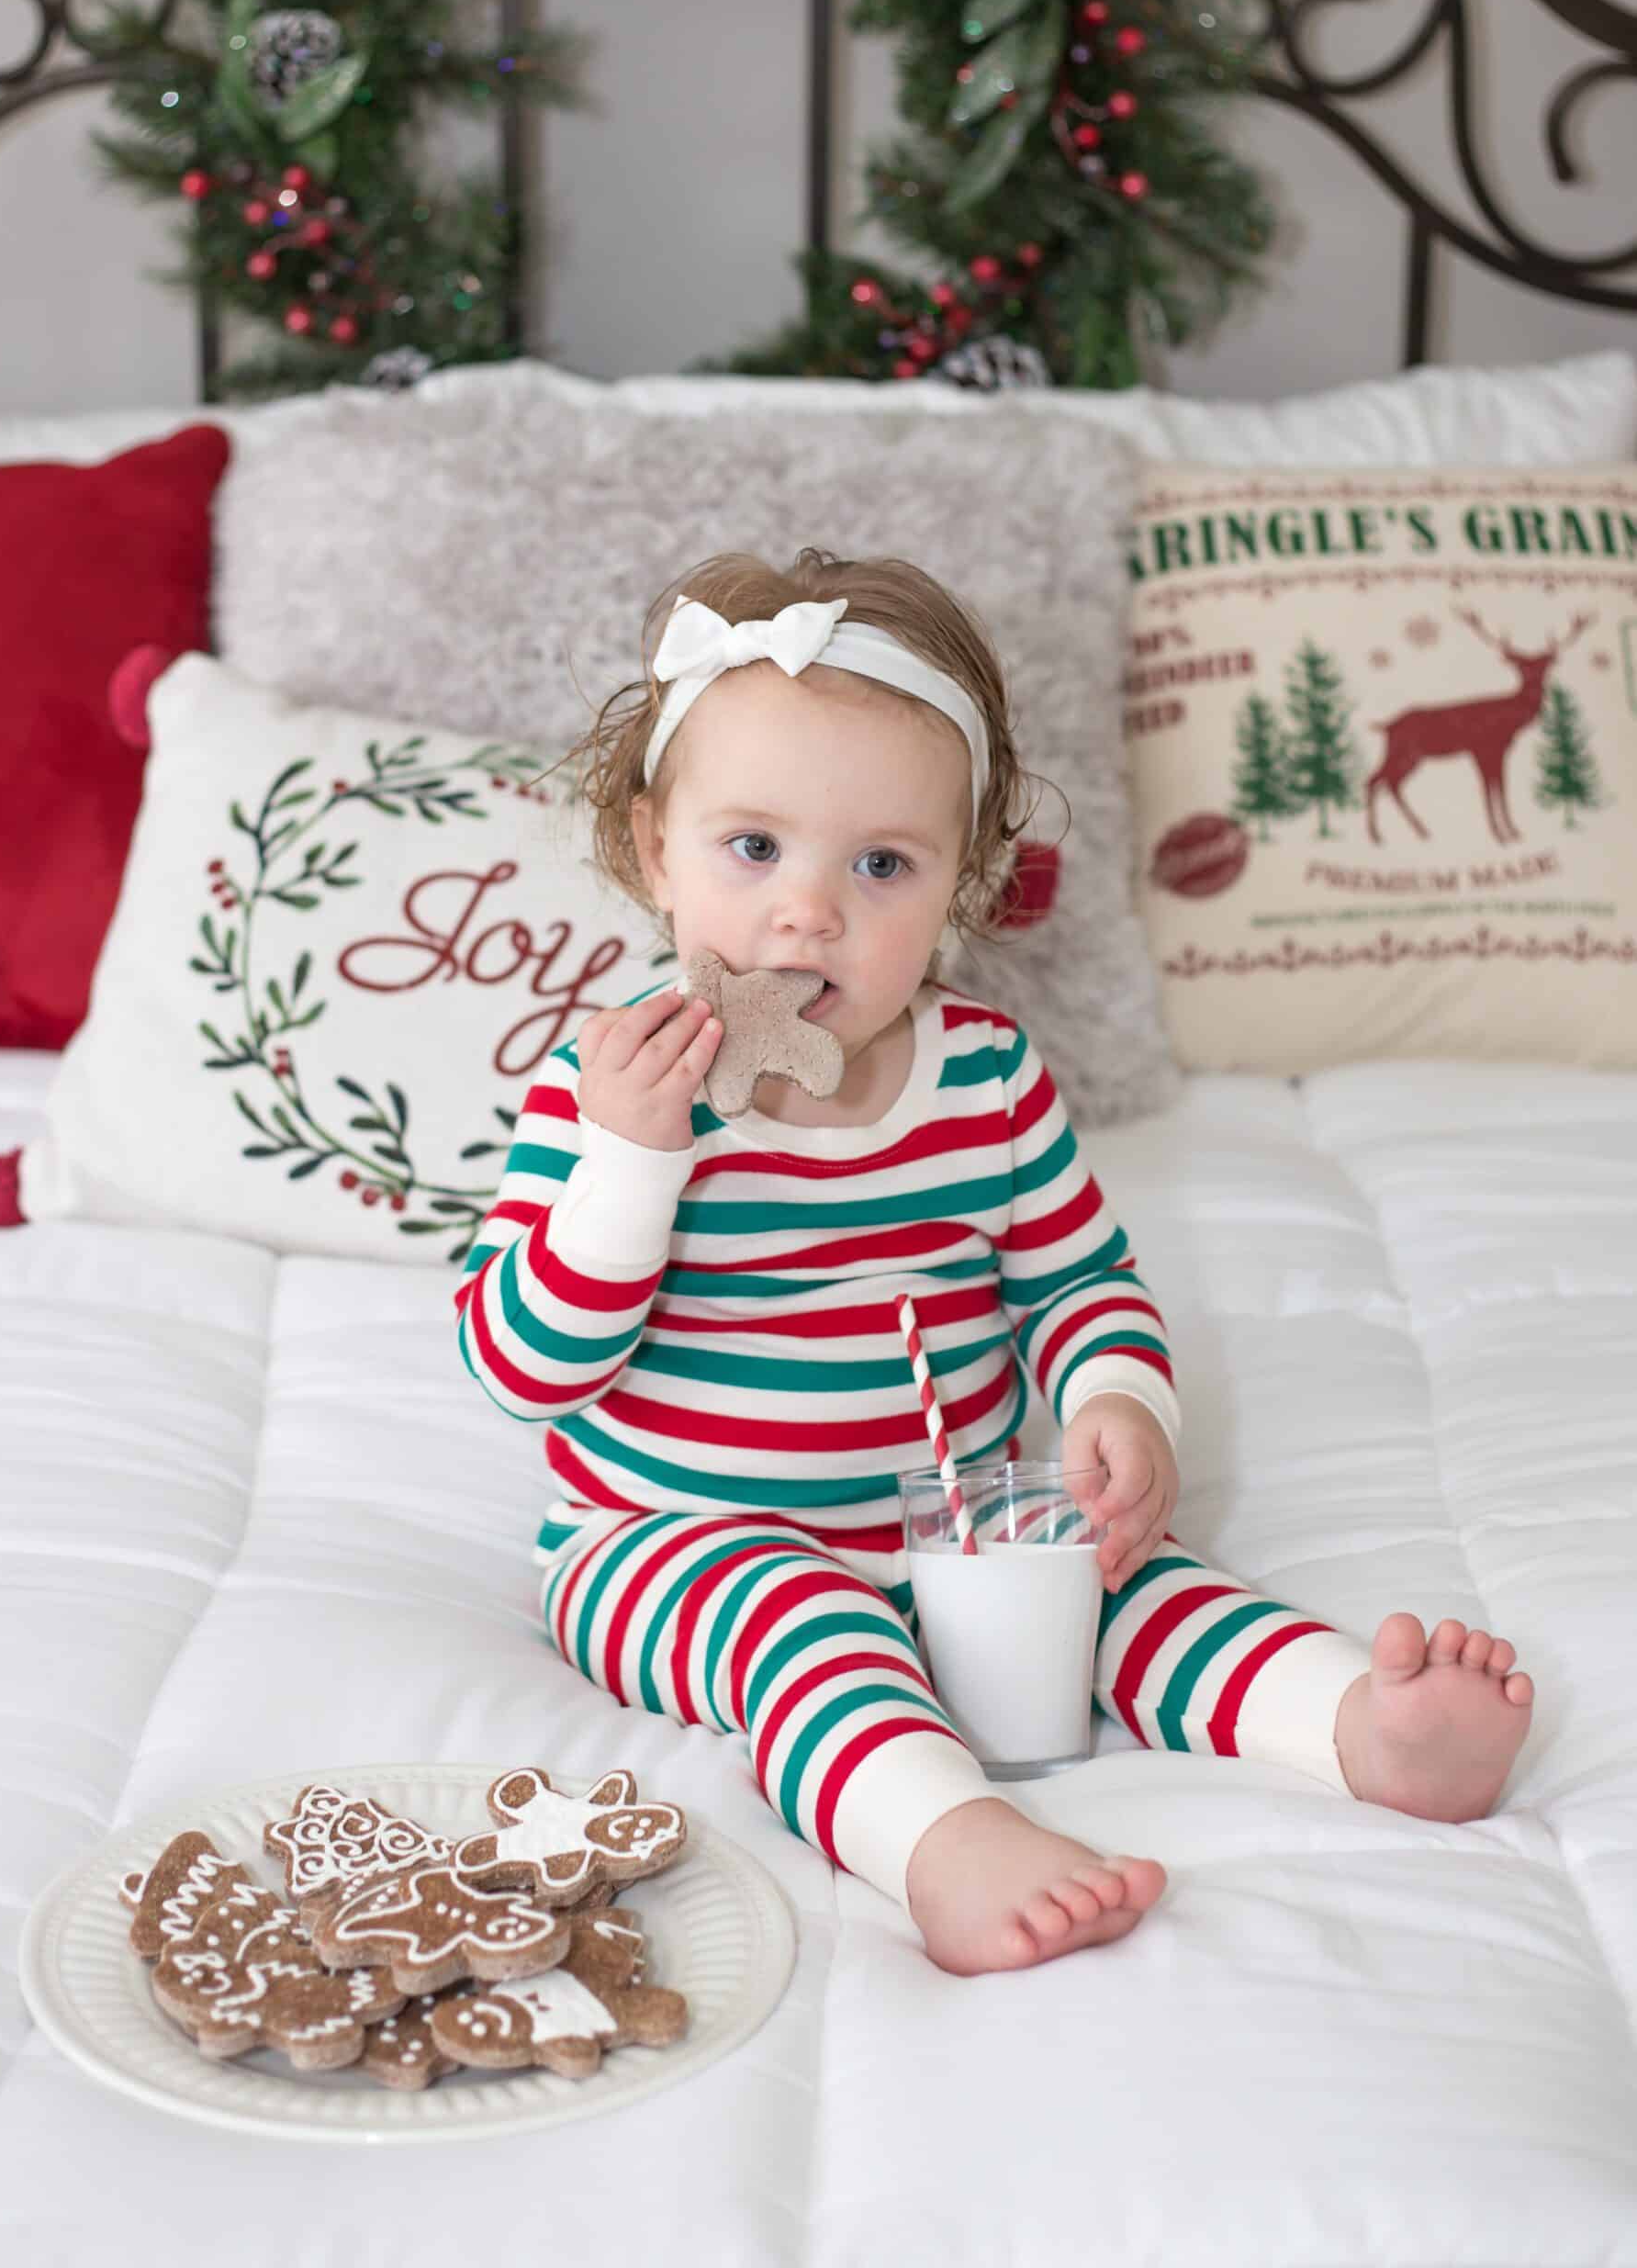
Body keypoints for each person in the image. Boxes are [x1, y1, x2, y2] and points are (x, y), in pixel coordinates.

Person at [454, 548, 1534, 1977]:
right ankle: (939, 1841)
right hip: (665, 1545)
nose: (809, 912)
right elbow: (524, 1367)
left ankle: (1355, 1722)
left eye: (881, 864)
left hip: (955, 1521)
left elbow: (1080, 1287)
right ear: (656, 849)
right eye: (753, 848)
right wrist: (632, 1164)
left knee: (1137, 1589)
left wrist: (1116, 1414)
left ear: (959, 887)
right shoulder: (605, 1092)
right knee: (807, 1629)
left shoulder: (988, 1083)